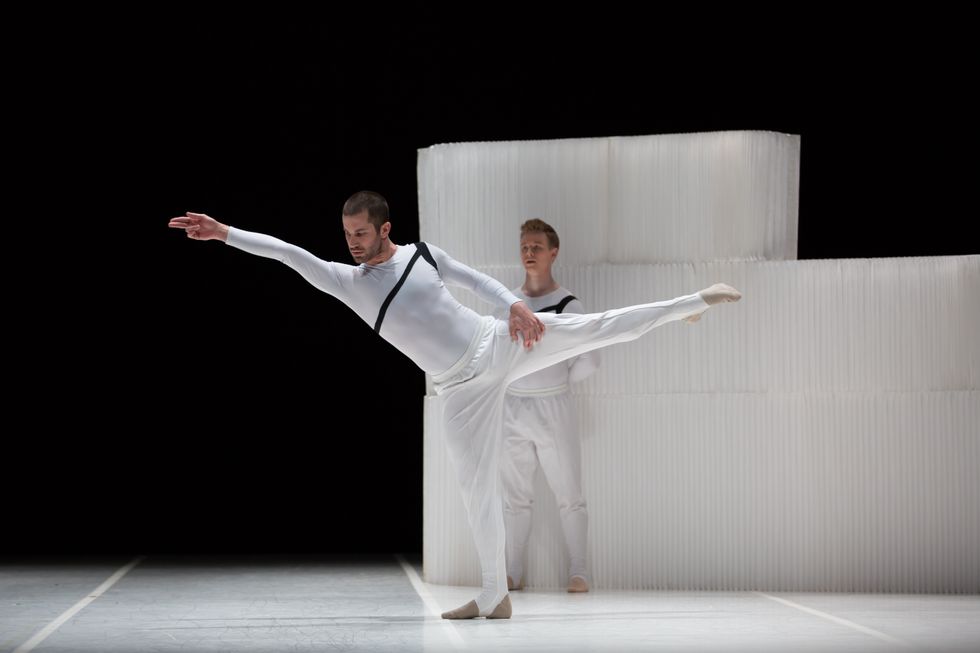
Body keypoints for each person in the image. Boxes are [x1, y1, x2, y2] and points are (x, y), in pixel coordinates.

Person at [168, 191, 742, 620]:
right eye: (347, 234)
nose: (352, 243)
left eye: (361, 233)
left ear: (384, 228)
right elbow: (289, 255)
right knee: (475, 490)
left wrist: (517, 307)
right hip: (458, 390)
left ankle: (690, 303)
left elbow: (478, 282)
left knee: (590, 327)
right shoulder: (347, 282)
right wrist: (226, 234)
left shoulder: (422, 255)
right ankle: (494, 593)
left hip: (495, 344)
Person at [500, 219, 597, 594]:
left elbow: (589, 360)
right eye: (525, 246)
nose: (529, 253)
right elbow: (496, 357)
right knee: (515, 497)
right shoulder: (508, 302)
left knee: (569, 493)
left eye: (537, 247)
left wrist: (554, 384)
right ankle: (512, 570)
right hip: (514, 408)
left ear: (553, 252)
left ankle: (579, 571)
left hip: (554, 405)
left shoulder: (570, 305)